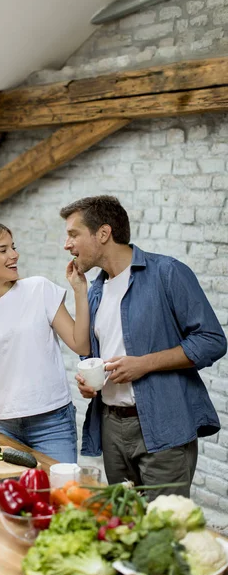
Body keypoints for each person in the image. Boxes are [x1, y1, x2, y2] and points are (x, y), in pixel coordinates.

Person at [60, 195, 227, 498]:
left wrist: (144, 363)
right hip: (111, 426)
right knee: (124, 525)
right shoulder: (96, 289)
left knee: (164, 529)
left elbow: (212, 341)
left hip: (162, 425)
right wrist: (90, 382)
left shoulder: (167, 273)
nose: (67, 244)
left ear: (103, 233)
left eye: (73, 234)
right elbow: (92, 354)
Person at [0, 222, 90, 463]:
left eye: (12, 248)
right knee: (9, 497)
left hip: (52, 422)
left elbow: (81, 345)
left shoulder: (39, 290)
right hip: (2, 425)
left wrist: (80, 291)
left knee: (59, 495)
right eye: (3, 250)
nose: (14, 255)